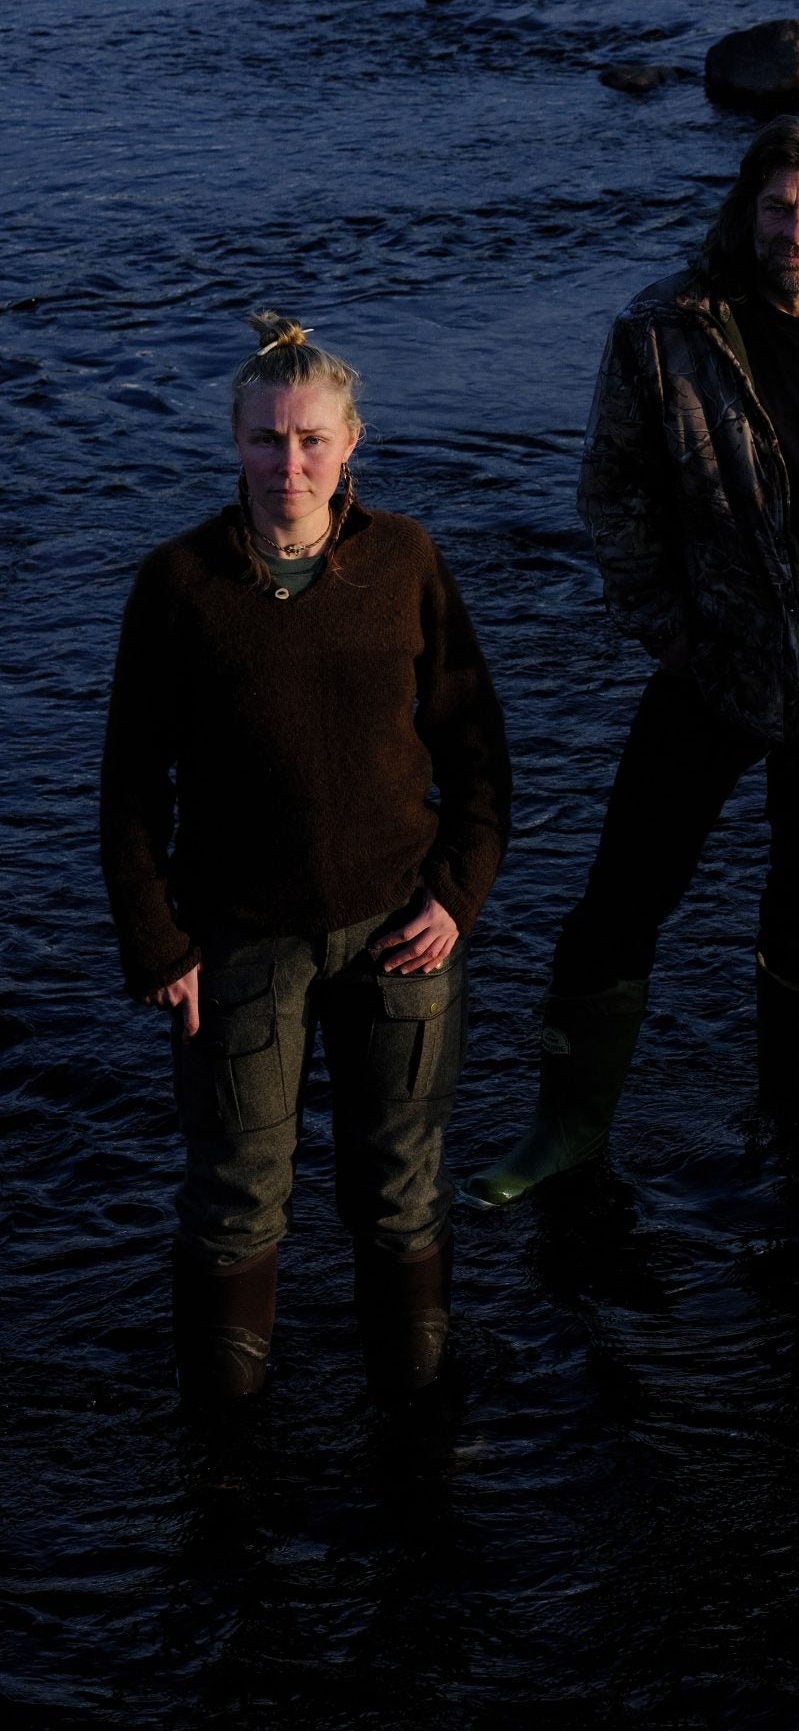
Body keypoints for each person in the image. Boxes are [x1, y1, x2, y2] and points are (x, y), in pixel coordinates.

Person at [462, 116, 799, 1209]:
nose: (796, 228)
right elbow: (613, 494)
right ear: (746, 212)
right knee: (624, 893)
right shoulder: (664, 331)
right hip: (716, 669)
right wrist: (673, 635)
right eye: (778, 206)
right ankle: (564, 1130)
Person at [100, 312, 510, 1404]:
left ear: (353, 441)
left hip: (399, 930)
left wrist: (458, 895)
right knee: (237, 1198)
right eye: (268, 440)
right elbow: (131, 786)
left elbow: (477, 750)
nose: (291, 464)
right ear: (233, 442)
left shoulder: (407, 562)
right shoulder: (178, 586)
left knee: (403, 1190)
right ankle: (225, 1467)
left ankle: (415, 1435)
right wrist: (157, 939)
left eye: (312, 440)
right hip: (237, 938)